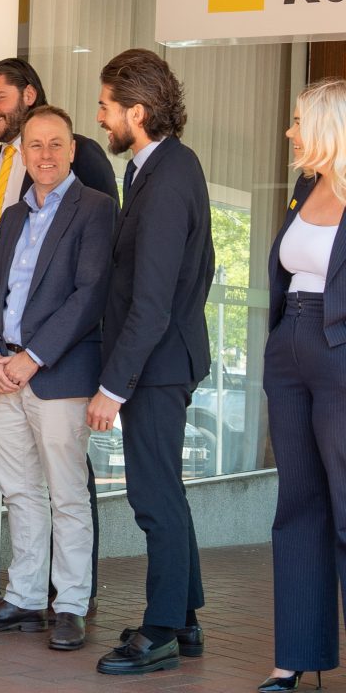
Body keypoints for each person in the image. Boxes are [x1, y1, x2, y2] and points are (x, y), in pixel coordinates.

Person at [0, 58, 115, 615]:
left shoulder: (96, 210)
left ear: (73, 150)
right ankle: (23, 598)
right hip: (2, 379)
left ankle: (71, 604)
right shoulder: (13, 218)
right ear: (22, 155)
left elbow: (90, 295)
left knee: (69, 497)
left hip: (59, 376)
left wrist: (33, 357)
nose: (45, 155)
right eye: (35, 146)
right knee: (19, 494)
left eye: (56, 144)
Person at [87, 48, 213, 675]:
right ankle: (183, 616)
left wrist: (113, 387)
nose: (101, 117)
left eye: (107, 107)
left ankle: (161, 629)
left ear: (137, 112)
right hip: (164, 360)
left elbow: (153, 299)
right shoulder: (157, 168)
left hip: (157, 364)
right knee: (166, 490)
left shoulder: (166, 178)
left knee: (152, 495)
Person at [257, 77, 346, 693]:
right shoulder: (300, 189)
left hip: (339, 350)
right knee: (297, 506)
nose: (289, 132)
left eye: (297, 121)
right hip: (288, 344)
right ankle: (296, 655)